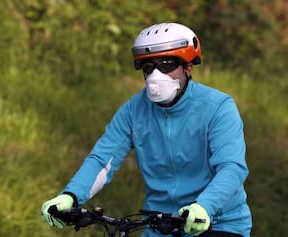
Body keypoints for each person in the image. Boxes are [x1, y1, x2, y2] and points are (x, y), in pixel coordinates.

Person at [41, 22, 252, 237]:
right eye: (148, 67)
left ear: (188, 67)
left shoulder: (218, 107)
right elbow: (102, 160)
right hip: (159, 224)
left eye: (167, 64)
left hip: (217, 223)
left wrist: (204, 206)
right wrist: (69, 196)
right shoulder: (133, 110)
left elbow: (231, 167)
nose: (155, 75)